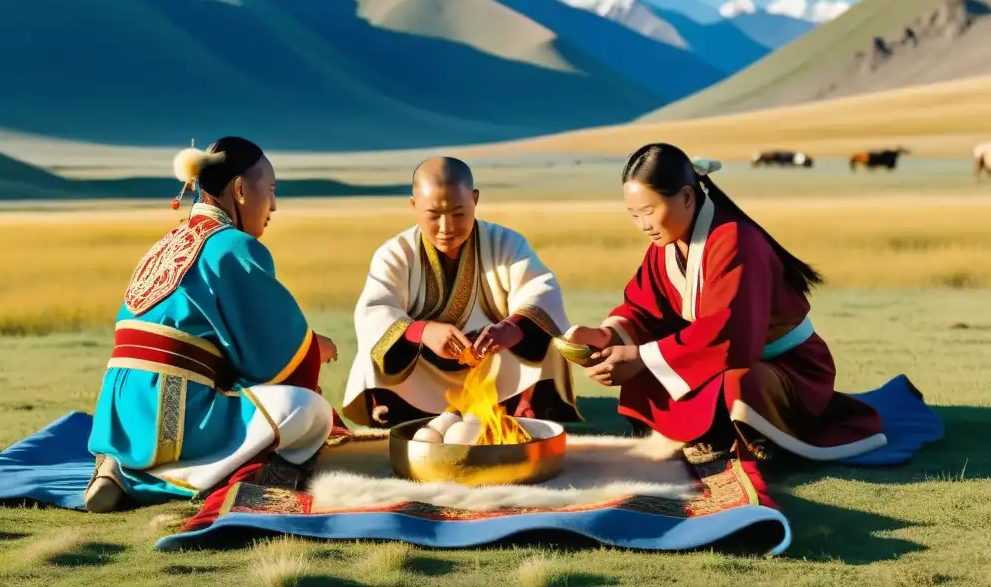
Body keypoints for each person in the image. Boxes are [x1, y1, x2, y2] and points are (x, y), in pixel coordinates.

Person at [563, 142, 888, 464]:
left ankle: (740, 435)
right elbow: (644, 308)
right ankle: (702, 430)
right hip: (717, 354)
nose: (643, 225)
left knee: (737, 382)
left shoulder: (735, 241)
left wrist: (642, 357)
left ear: (688, 198)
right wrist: (606, 336)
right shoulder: (665, 247)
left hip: (789, 367)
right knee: (648, 365)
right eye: (634, 215)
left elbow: (730, 334)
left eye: (649, 212)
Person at [84, 137, 340, 512]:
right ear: (239, 189)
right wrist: (317, 347)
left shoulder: (167, 243)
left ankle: (122, 465)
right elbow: (273, 357)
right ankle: (181, 477)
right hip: (173, 410)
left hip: (119, 413)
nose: (273, 205)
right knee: (307, 409)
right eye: (269, 190)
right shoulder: (234, 245)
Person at [341, 157, 581, 427]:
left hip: (491, 360)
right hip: (422, 365)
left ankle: (522, 404)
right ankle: (404, 411)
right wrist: (423, 332)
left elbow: (540, 292)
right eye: (433, 215)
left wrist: (509, 330)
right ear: (414, 205)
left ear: (475, 200)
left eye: (458, 214)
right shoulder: (396, 253)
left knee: (543, 331)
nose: (446, 228)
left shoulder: (506, 243)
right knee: (375, 346)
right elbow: (374, 312)